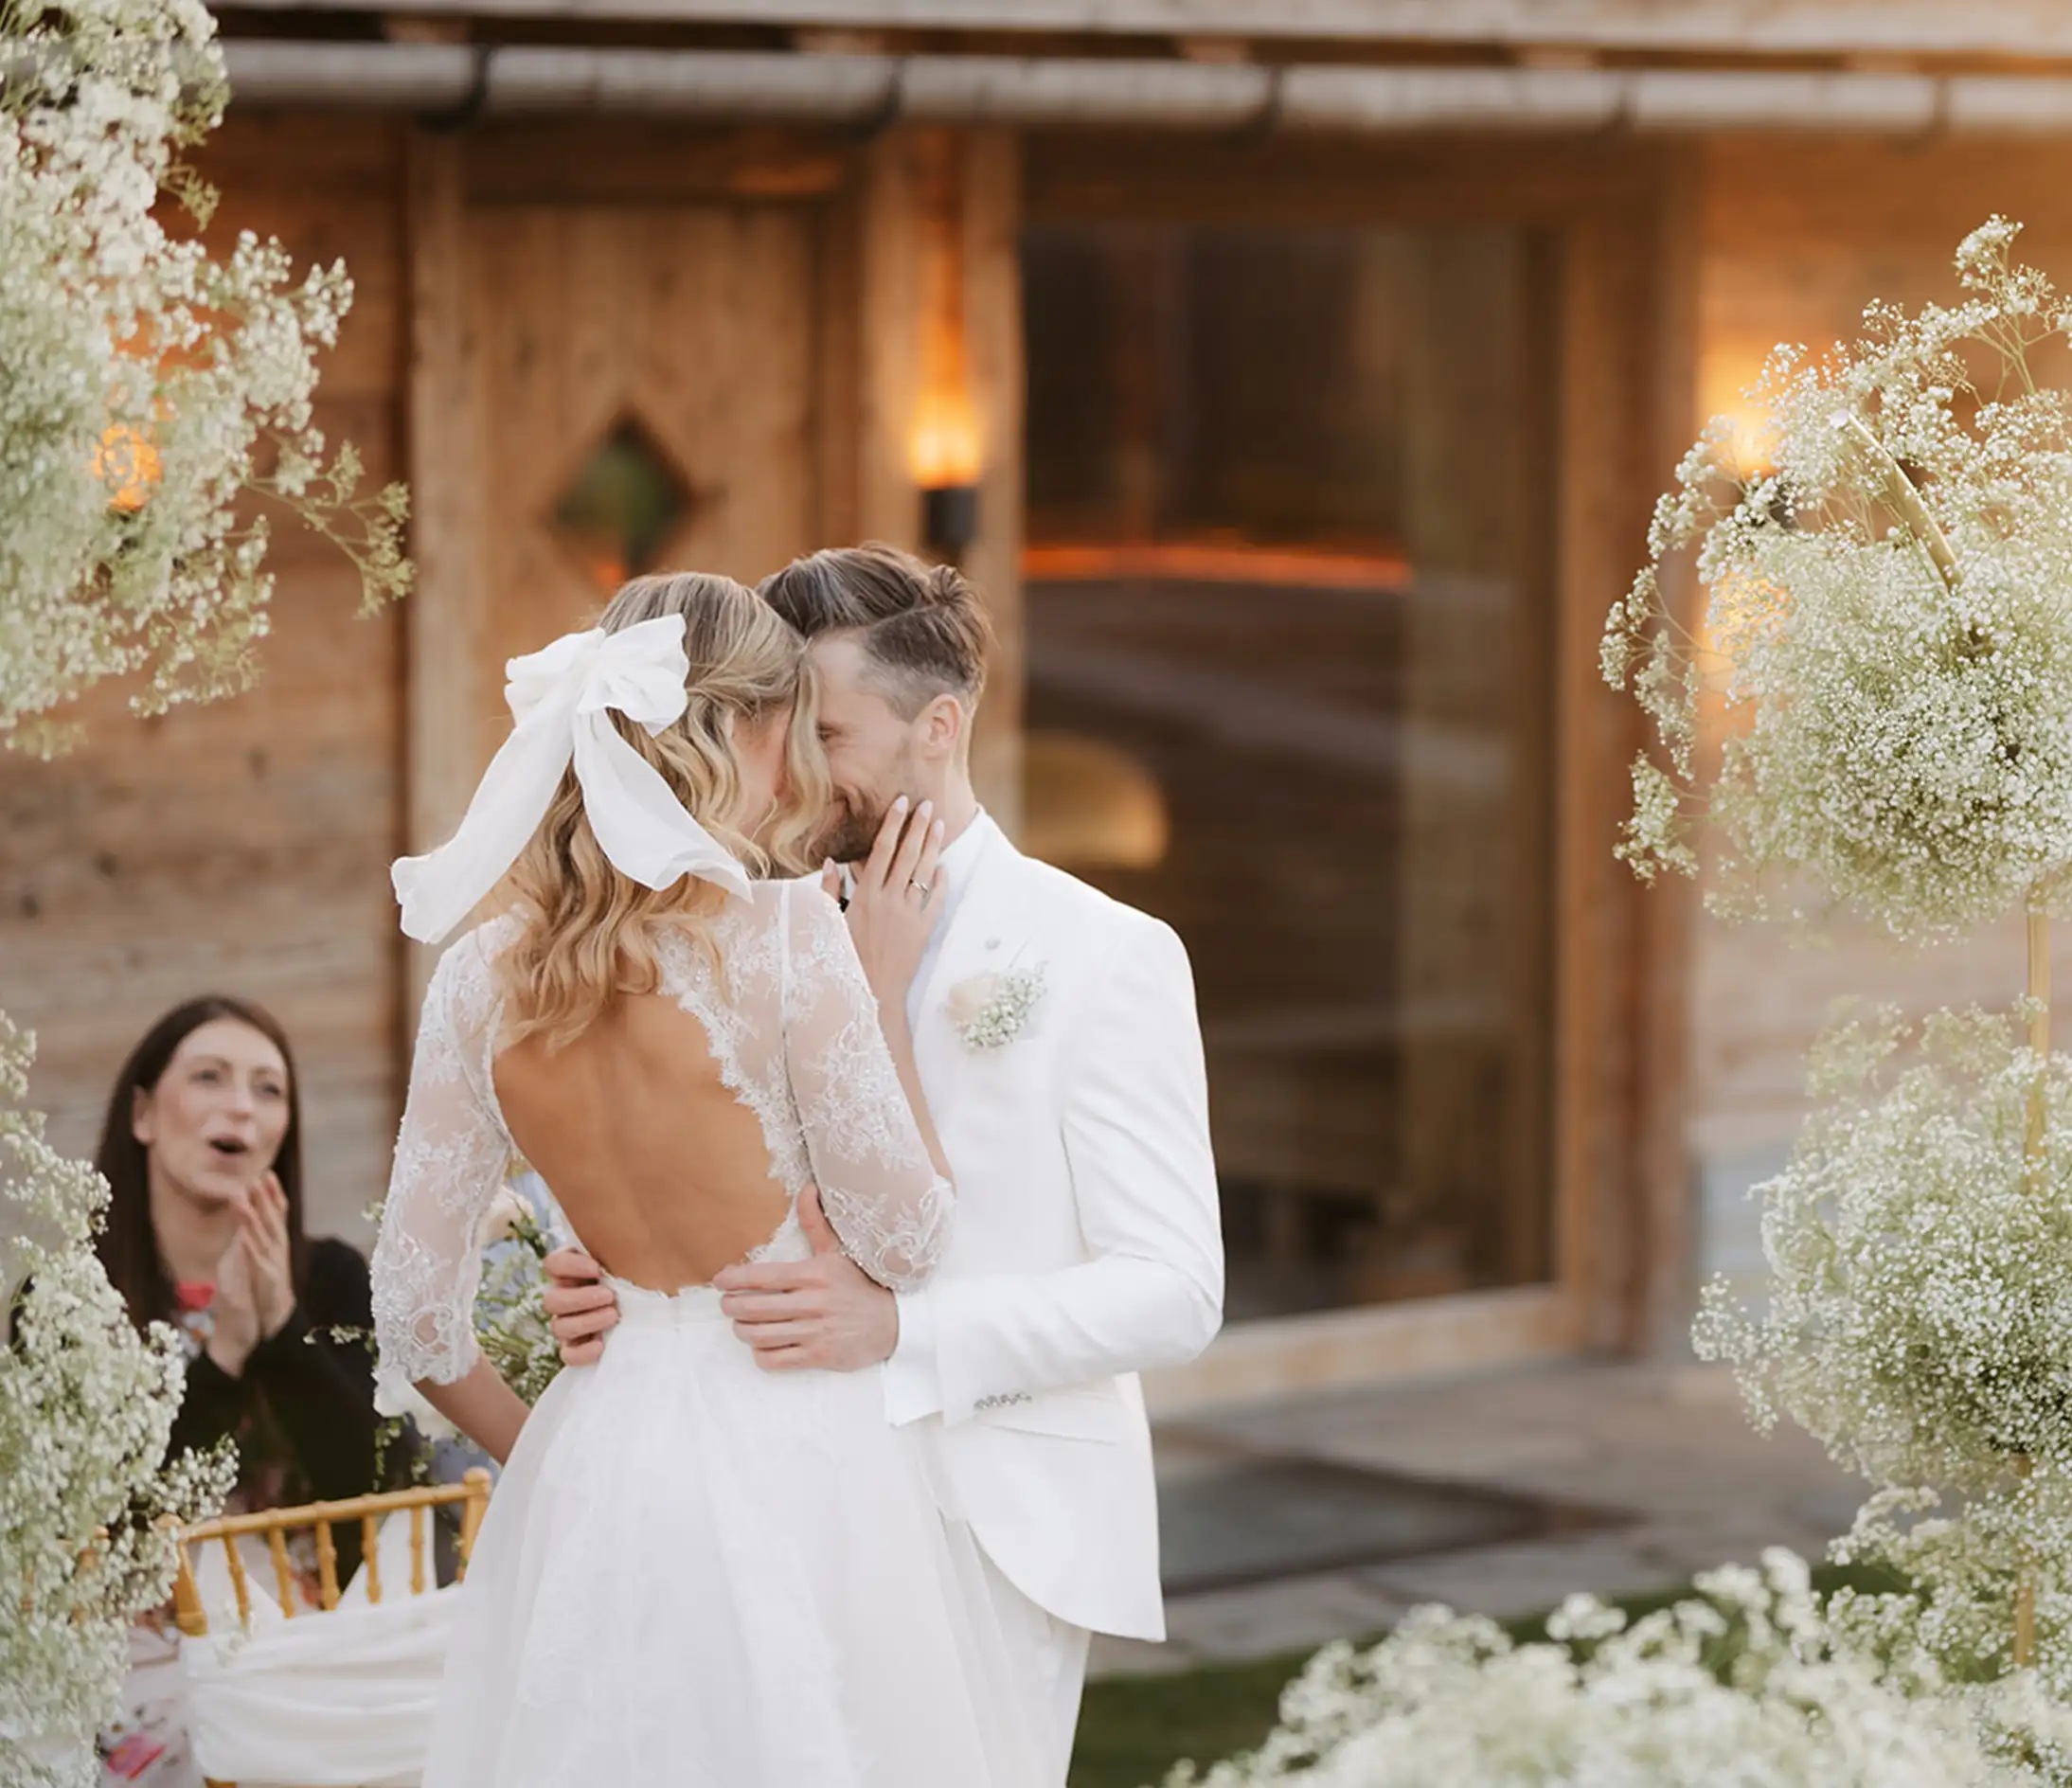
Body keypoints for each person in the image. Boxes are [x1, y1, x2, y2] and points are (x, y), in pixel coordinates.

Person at [545, 545, 1225, 1783]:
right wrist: (610, 1273)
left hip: (990, 1508)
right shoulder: (733, 921)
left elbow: (1176, 1290)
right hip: (763, 1486)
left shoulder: (1103, 954)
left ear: (939, 728)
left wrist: (905, 1335)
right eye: (782, 728)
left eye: (832, 731)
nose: (796, 769)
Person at [370, 571, 1041, 1788]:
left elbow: (415, 1313)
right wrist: (879, 989)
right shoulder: (788, 936)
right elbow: (908, 1239)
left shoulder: (479, 975)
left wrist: (553, 1455)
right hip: (798, 1451)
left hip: (597, 1453)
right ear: (746, 728)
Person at [95, 996, 385, 1531]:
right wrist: (224, 1354)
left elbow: (379, 1489)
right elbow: (105, 1517)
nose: (242, 1107)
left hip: (324, 1613)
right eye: (209, 1078)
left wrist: (281, 1324)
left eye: (268, 1089)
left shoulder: (333, 1279)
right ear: (143, 1115)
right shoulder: (73, 1294)